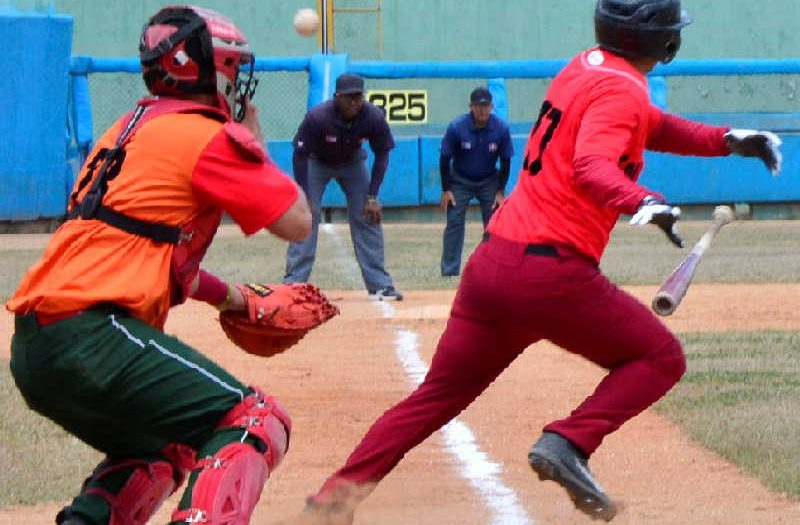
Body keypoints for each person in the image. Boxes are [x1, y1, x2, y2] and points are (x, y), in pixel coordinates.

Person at [295, 0, 782, 522]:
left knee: (433, 399)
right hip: (550, 274)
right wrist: (641, 200)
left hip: (495, 266)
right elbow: (593, 164)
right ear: (663, 42)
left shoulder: (587, 66)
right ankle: (568, 441)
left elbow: (650, 125)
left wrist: (726, 140)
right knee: (662, 358)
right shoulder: (622, 88)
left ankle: (331, 502)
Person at [6, 6, 312, 525]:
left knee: (161, 448)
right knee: (255, 420)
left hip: (38, 349)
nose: (236, 82)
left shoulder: (123, 132)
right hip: (92, 336)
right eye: (231, 68)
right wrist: (256, 143)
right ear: (204, 68)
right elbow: (296, 221)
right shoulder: (206, 133)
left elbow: (157, 254)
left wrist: (233, 298)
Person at [283, 73, 403, 301]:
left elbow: (382, 155)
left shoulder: (373, 117)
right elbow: (300, 155)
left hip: (352, 162)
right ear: (337, 96)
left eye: (358, 97)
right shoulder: (318, 117)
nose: (354, 102)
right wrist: (304, 195)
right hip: (316, 161)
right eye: (348, 97)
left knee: (367, 215)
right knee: (307, 215)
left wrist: (372, 195)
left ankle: (380, 285)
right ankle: (293, 285)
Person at [439, 86, 514, 277]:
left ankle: (495, 268)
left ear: (491, 106)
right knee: (454, 222)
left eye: (486, 105)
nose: (482, 110)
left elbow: (506, 161)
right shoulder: (457, 127)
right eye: (478, 105)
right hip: (460, 180)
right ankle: (449, 270)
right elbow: (445, 159)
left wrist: (500, 192)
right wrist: (446, 189)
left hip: (489, 180)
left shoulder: (501, 128)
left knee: (494, 225)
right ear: (470, 106)